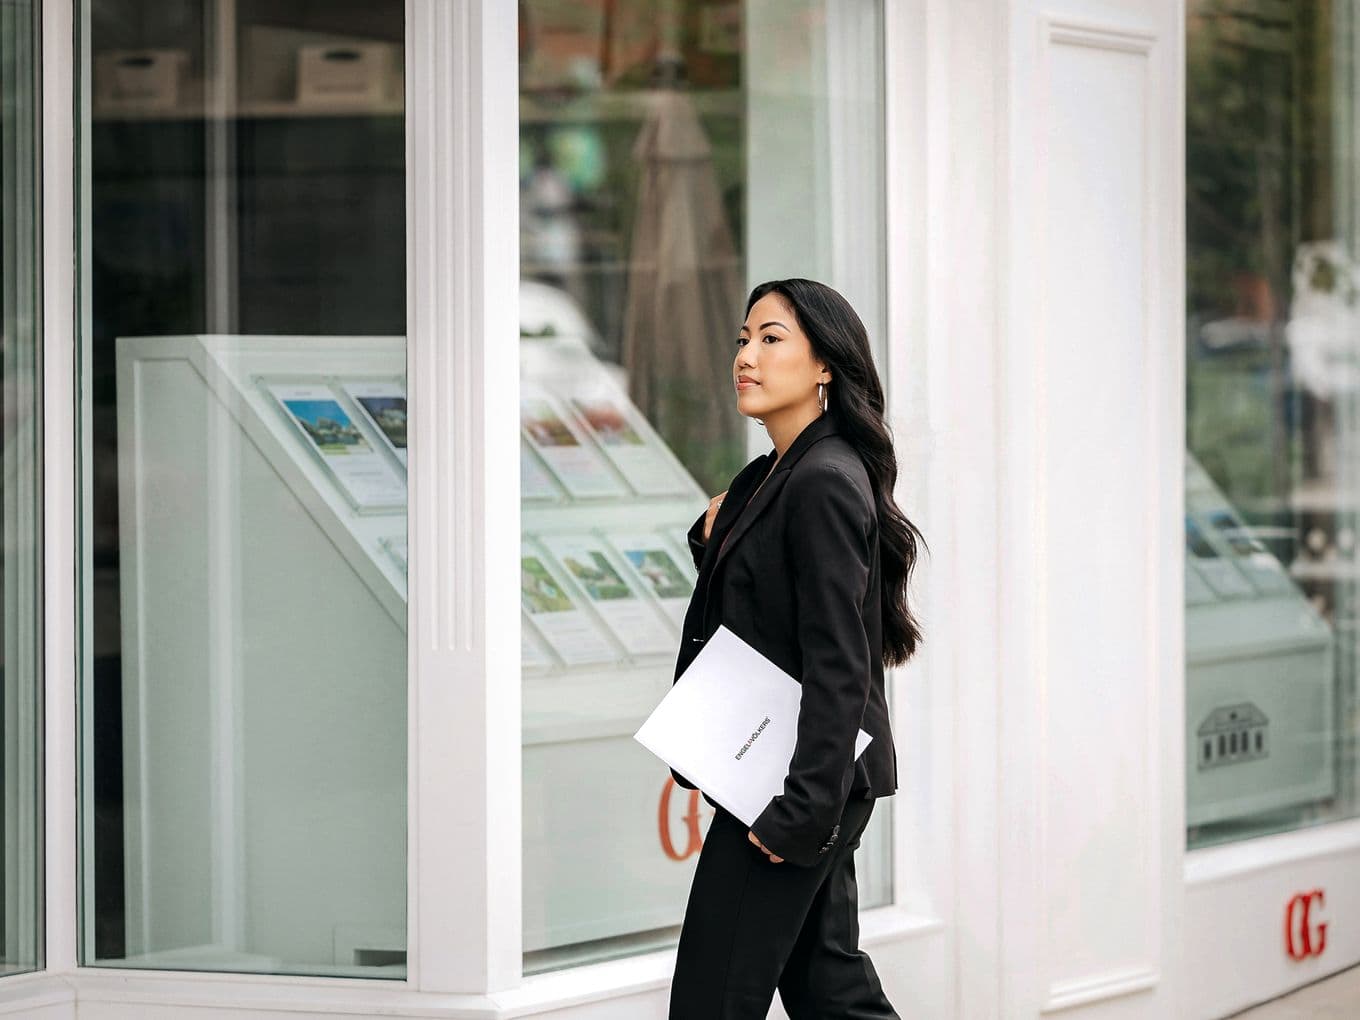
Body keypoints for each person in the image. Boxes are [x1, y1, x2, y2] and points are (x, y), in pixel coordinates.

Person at [667, 278, 927, 1019]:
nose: (746, 355)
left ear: (824, 367)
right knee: (829, 990)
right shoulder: (773, 476)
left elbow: (840, 662)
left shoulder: (822, 478)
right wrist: (712, 540)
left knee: (711, 1003)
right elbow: (776, 610)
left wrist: (802, 811)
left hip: (796, 787)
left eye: (771, 338)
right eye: (743, 339)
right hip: (795, 776)